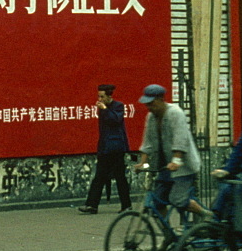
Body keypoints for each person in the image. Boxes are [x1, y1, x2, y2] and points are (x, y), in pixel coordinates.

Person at [136, 84, 209, 226]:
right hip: (165, 167)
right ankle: (168, 234)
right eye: (147, 104)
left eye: (152, 103)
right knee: (157, 203)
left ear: (161, 99)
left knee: (178, 199)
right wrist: (142, 162)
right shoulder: (151, 117)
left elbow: (180, 139)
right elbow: (148, 142)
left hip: (183, 167)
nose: (149, 107)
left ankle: (206, 215)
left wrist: (176, 160)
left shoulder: (175, 113)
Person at [78, 84, 132, 214]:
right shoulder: (102, 108)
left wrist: (105, 109)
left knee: (120, 177)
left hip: (116, 148)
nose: (100, 99)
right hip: (105, 148)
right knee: (99, 176)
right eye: (98, 96)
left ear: (109, 96)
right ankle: (92, 205)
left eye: (102, 96)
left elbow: (116, 120)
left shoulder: (118, 106)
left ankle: (126, 205)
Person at [211, 85, 242, 220]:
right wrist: (228, 169)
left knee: (234, 189)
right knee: (230, 186)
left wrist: (229, 170)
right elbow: (241, 149)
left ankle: (220, 221)